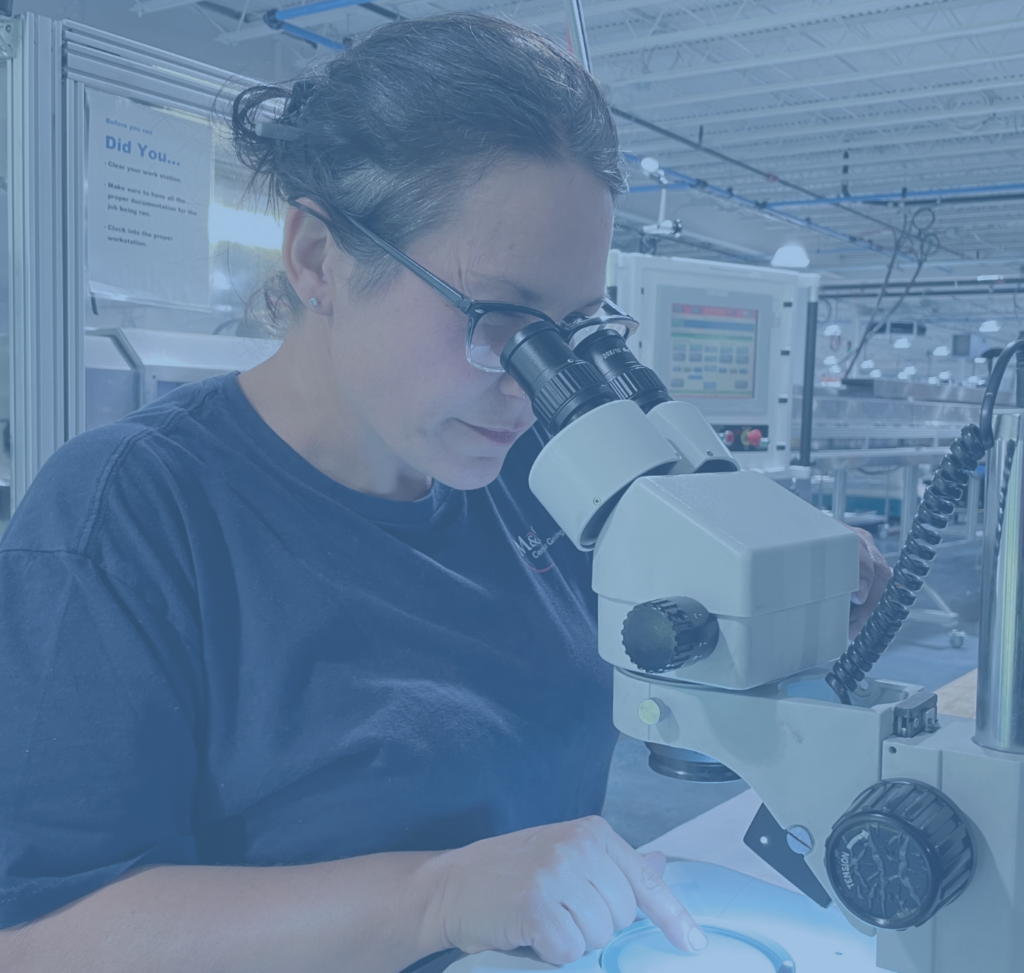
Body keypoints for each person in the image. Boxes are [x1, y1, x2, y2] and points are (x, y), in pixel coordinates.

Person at [0, 13, 889, 973]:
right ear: (318, 258)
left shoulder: (535, 479)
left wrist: (783, 586)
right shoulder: (130, 512)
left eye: (571, 330)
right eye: (499, 316)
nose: (529, 385)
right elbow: (41, 934)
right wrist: (436, 897)